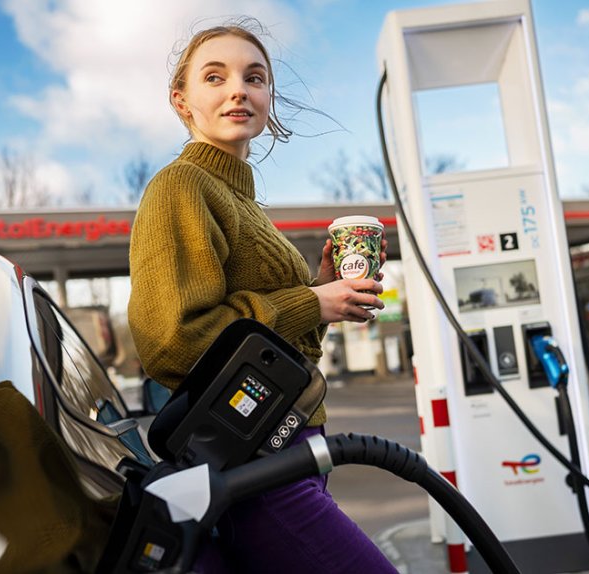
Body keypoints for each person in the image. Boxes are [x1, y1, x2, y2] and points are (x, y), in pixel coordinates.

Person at [127, 17, 395, 574]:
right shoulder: (181, 186)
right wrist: (309, 303)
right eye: (215, 77)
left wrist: (322, 291)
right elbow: (172, 341)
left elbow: (266, 339)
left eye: (254, 78)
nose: (237, 91)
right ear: (182, 101)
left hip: (291, 447)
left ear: (270, 97)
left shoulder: (241, 198)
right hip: (256, 463)